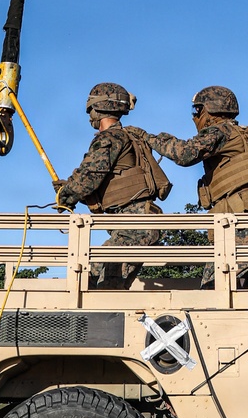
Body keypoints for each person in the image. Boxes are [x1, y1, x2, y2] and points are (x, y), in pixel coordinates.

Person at [137, 86, 248, 288]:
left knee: (216, 288)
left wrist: (147, 137)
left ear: (209, 110)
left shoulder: (221, 131)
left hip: (245, 220)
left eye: (197, 111)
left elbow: (184, 153)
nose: (195, 116)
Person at [56, 83, 171, 288]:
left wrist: (66, 195)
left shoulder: (110, 137)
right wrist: (71, 189)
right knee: (90, 277)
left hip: (134, 227)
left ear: (97, 108)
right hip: (133, 225)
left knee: (104, 287)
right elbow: (98, 181)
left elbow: (90, 175)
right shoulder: (126, 137)